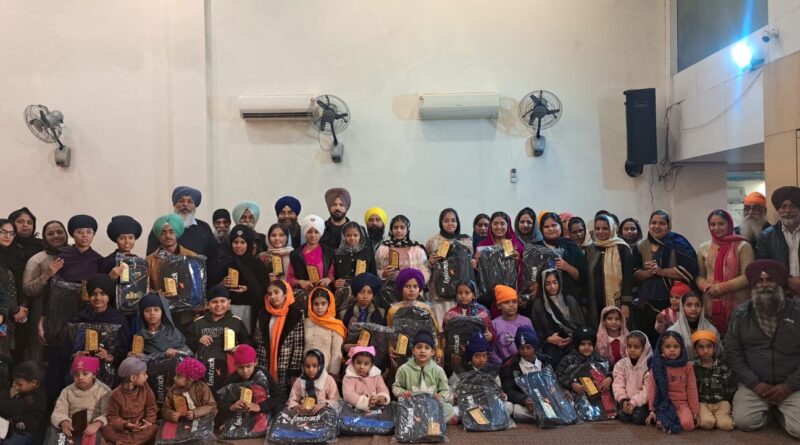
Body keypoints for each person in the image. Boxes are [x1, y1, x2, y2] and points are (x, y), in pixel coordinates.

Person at [725, 259, 800, 438]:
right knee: (744, 422)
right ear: (753, 286)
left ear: (780, 283)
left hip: (793, 386)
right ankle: (775, 410)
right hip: (755, 386)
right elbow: (732, 352)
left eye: (770, 280)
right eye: (759, 281)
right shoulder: (741, 314)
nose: (764, 285)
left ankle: (780, 412)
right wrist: (754, 384)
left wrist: (789, 386)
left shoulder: (797, 311)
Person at [632, 210, 697, 346]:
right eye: (653, 223)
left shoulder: (679, 243)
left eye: (662, 223)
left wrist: (661, 271)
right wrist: (651, 272)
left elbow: (690, 271)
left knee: (672, 343)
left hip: (672, 304)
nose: (657, 226)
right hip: (645, 305)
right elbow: (634, 274)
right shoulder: (641, 245)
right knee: (647, 342)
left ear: (669, 226)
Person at [696, 209, 753, 336]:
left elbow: (747, 276)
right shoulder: (703, 247)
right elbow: (699, 276)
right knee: (712, 339)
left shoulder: (743, 246)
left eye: (721, 224)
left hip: (737, 302)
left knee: (737, 338)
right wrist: (707, 287)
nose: (716, 228)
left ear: (729, 224)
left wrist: (720, 288)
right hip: (710, 302)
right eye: (712, 224)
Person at [186, 285, 250, 388]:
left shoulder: (236, 321)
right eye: (214, 302)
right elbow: (187, 340)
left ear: (229, 302)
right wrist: (198, 340)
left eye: (222, 301)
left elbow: (247, 341)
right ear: (207, 304)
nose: (218, 305)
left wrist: (240, 347)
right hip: (204, 368)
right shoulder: (198, 323)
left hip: (230, 369)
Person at [22, 220, 67, 362]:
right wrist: (46, 275)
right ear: (44, 237)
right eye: (50, 233)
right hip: (41, 314)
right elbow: (28, 290)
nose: (56, 236)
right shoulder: (37, 260)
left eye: (59, 232)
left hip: (68, 314)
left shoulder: (74, 256)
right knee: (39, 356)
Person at [212, 225, 269, 331]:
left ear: (249, 243)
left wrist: (248, 289)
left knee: (247, 335)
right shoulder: (224, 263)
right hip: (227, 309)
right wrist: (222, 284)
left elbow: (264, 288)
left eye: (242, 242)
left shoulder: (257, 264)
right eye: (235, 242)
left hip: (251, 309)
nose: (238, 246)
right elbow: (212, 288)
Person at [146, 186, 217, 270]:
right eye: (181, 201)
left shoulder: (204, 228)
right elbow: (152, 258)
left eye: (190, 201)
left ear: (195, 206)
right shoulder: (162, 226)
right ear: (175, 204)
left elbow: (214, 257)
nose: (185, 204)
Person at [253, 280, 305, 395]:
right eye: (270, 294)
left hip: (285, 366)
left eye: (276, 292)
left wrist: (294, 371)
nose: (273, 296)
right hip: (265, 363)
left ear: (285, 294)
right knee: (265, 393)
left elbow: (298, 346)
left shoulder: (296, 314)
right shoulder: (263, 314)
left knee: (284, 396)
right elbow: (258, 342)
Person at [392, 331, 455, 422]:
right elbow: (396, 387)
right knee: (398, 405)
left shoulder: (438, 370)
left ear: (432, 352)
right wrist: (402, 392)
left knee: (449, 409)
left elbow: (445, 389)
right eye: (419, 347)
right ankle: (425, 422)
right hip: (411, 406)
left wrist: (441, 397)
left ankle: (421, 422)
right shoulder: (404, 369)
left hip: (431, 406)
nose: (422, 350)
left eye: (427, 348)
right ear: (413, 351)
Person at [71, 274, 131, 370]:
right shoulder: (79, 319)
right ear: (89, 296)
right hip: (82, 370)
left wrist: (110, 357)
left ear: (109, 296)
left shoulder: (119, 320)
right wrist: (75, 355)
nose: (98, 298)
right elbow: (69, 347)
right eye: (93, 294)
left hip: (111, 371)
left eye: (103, 294)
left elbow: (125, 350)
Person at [426, 208, 474, 324]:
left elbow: (469, 265)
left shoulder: (466, 240)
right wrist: (430, 262)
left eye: (453, 220)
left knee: (461, 326)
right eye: (446, 221)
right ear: (441, 223)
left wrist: (474, 263)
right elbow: (425, 267)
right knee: (441, 326)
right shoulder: (433, 241)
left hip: (462, 294)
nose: (450, 223)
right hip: (439, 294)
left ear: (458, 222)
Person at [646, 331, 699, 434]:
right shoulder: (657, 366)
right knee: (665, 422)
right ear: (661, 348)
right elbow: (652, 388)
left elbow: (692, 389)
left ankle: (674, 418)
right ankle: (664, 418)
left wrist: (695, 411)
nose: (672, 350)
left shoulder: (687, 366)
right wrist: (652, 410)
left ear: (681, 348)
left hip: (682, 404)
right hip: (664, 403)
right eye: (667, 346)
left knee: (687, 425)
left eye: (676, 346)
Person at [586, 214, 634, 327]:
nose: (600, 232)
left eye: (605, 228)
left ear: (612, 228)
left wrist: (625, 304)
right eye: (597, 228)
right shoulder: (591, 248)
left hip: (617, 302)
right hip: (595, 302)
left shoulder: (622, 248)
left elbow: (628, 278)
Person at [530, 269, 584, 365]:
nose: (552, 287)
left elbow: (580, 325)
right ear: (543, 285)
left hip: (572, 341)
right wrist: (548, 339)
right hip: (550, 344)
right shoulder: (538, 304)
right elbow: (536, 329)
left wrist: (572, 338)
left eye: (555, 282)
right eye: (547, 284)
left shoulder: (569, 300)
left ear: (560, 282)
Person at [555, 327, 613, 418]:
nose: (586, 347)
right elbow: (558, 376)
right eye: (583, 344)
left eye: (590, 344)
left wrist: (609, 378)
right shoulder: (568, 359)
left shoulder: (599, 359)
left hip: (598, 396)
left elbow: (612, 370)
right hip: (575, 396)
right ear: (577, 344)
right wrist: (572, 384)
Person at [218, 344, 286, 420]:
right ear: (235, 365)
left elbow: (280, 397)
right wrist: (231, 407)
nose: (245, 371)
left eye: (248, 366)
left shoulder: (263, 375)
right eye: (240, 367)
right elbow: (220, 404)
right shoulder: (232, 380)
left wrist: (260, 406)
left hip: (265, 415)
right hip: (240, 419)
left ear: (255, 363)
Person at [536, 211, 587, 309]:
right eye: (546, 227)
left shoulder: (571, 246)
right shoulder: (536, 248)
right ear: (541, 229)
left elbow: (581, 276)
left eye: (554, 225)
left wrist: (566, 267)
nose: (551, 229)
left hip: (570, 299)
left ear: (561, 226)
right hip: (543, 301)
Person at [51, 356, 110, 440]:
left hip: (95, 430)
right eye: (76, 374)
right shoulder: (67, 391)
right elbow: (58, 412)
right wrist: (63, 422)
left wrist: (97, 424)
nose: (80, 377)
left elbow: (108, 414)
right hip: (72, 429)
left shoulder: (104, 390)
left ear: (94, 374)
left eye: (85, 374)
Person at [101, 357, 158, 445]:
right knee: (106, 429)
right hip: (123, 429)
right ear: (133, 377)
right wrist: (126, 425)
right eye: (144, 374)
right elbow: (112, 417)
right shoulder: (115, 395)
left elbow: (152, 406)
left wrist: (149, 422)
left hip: (141, 426)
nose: (147, 376)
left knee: (154, 429)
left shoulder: (145, 387)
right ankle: (130, 442)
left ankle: (121, 443)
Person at [386, 268, 440, 359]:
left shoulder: (426, 309)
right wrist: (390, 348)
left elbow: (435, 332)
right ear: (401, 287)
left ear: (420, 288)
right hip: (401, 354)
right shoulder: (393, 310)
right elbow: (390, 333)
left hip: (424, 354)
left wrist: (437, 350)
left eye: (415, 286)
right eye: (407, 286)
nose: (411, 290)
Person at [756, 186, 800, 295]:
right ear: (777, 210)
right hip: (781, 292)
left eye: (793, 206)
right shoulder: (766, 236)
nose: (787, 211)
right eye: (783, 207)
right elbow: (765, 266)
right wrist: (788, 281)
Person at [499, 326, 549, 422]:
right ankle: (545, 416)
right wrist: (523, 399)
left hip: (547, 399)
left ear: (535, 348)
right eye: (522, 348)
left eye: (528, 348)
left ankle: (544, 416)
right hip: (526, 403)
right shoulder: (510, 366)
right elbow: (509, 390)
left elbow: (554, 382)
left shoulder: (546, 361)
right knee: (517, 410)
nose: (525, 351)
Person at [691, 330, 735, 431]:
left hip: (721, 402)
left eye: (709, 346)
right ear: (695, 350)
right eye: (701, 347)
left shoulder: (723, 368)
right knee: (707, 424)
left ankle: (723, 418)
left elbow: (730, 390)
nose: (705, 350)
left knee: (726, 425)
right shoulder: (692, 367)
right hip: (702, 403)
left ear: (714, 348)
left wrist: (730, 405)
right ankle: (711, 419)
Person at [145, 214, 198, 293]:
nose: (168, 236)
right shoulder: (149, 261)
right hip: (159, 300)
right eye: (163, 233)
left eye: (171, 232)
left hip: (188, 300)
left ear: (177, 233)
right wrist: (158, 294)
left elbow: (197, 286)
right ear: (158, 235)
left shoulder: (192, 257)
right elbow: (145, 289)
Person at [0, 361, 47, 445]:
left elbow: (12, 408)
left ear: (33, 383)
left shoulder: (34, 398)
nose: (16, 387)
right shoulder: (25, 389)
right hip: (13, 424)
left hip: (26, 433)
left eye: (19, 384)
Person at [304, 287, 346, 379]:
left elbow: (336, 353)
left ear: (329, 304)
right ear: (310, 304)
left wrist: (333, 374)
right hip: (305, 371)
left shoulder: (336, 324)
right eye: (316, 304)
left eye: (323, 303)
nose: (319, 307)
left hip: (325, 373)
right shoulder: (306, 323)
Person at [612, 331, 652, 425]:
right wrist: (623, 400)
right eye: (629, 346)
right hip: (625, 401)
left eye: (636, 347)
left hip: (641, 403)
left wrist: (634, 402)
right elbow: (618, 384)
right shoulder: (621, 364)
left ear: (644, 348)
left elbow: (647, 390)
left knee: (638, 418)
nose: (632, 350)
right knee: (623, 416)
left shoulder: (649, 366)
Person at [161, 357, 217, 423]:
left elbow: (211, 406)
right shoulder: (174, 389)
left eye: (179, 376)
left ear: (189, 379)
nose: (174, 378)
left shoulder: (201, 387)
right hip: (181, 421)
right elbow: (165, 408)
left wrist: (194, 413)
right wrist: (171, 414)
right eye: (175, 375)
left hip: (202, 420)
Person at [668, 291, 721, 360]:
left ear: (702, 307)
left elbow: (719, 355)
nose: (693, 309)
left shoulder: (711, 330)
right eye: (689, 305)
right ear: (682, 307)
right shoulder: (673, 331)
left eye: (697, 305)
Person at [376, 215, 429, 283]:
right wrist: (383, 274)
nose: (398, 230)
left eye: (402, 227)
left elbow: (425, 270)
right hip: (387, 287)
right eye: (395, 227)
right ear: (391, 230)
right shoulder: (382, 249)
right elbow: (376, 269)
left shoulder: (417, 249)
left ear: (407, 230)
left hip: (411, 287)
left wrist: (417, 282)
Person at [287, 215, 334, 291]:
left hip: (323, 294)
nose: (313, 235)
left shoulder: (329, 252)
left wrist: (328, 279)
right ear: (304, 233)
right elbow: (289, 278)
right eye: (309, 232)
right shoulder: (295, 254)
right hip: (303, 294)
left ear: (321, 233)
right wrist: (300, 282)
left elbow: (333, 274)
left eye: (316, 232)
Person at [288, 349, 340, 414]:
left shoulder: (328, 380)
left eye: (315, 366)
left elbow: (335, 401)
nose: (311, 370)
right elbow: (292, 400)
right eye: (307, 366)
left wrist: (323, 404)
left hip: (324, 414)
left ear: (321, 365)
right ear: (303, 367)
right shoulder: (299, 381)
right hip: (304, 414)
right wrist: (297, 406)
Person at [0, 219, 24, 359]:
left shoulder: (15, 256)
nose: (7, 236)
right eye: (3, 232)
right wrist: (15, 309)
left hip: (10, 317)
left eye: (11, 233)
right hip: (4, 312)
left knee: (7, 356)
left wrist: (21, 307)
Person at [491, 285, 533, 364]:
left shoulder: (526, 321)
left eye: (514, 301)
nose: (511, 305)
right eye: (507, 302)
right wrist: (501, 364)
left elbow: (533, 344)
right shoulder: (494, 324)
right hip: (504, 366)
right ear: (499, 305)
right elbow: (491, 350)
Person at [342, 346, 390, 412]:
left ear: (371, 365)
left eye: (366, 364)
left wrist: (381, 398)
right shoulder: (349, 377)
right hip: (353, 410)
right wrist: (366, 402)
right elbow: (348, 394)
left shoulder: (376, 376)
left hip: (374, 409)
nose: (362, 367)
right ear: (353, 362)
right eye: (358, 363)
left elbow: (382, 388)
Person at [333, 221, 377, 291]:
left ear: (361, 236)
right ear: (343, 236)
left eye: (355, 235)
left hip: (362, 291)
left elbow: (373, 275)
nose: (352, 238)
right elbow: (332, 275)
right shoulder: (337, 253)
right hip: (341, 291)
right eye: (348, 235)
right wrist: (334, 282)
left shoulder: (367, 252)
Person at [57, 214, 102, 282]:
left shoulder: (99, 260)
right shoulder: (62, 256)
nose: (84, 235)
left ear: (93, 234)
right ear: (72, 234)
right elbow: (56, 282)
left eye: (88, 232)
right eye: (79, 232)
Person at [319, 187, 352, 252]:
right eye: (334, 204)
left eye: (341, 205)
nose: (337, 208)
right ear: (328, 207)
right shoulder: (320, 229)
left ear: (347, 207)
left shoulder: (358, 230)